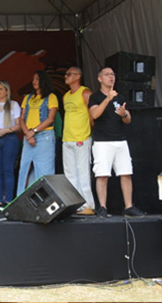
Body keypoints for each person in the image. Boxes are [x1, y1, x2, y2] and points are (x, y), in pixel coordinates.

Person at [89, 67, 145, 218]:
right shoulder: (95, 97)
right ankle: (102, 207)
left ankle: (129, 207)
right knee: (102, 175)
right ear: (100, 79)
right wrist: (107, 99)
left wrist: (124, 114)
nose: (111, 77)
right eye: (107, 74)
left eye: (113, 74)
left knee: (126, 173)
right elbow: (94, 114)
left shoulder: (120, 97)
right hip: (102, 141)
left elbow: (128, 119)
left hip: (120, 140)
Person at [62, 66, 96, 216]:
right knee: (70, 174)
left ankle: (88, 205)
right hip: (67, 138)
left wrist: (87, 132)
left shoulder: (85, 93)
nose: (65, 76)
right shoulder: (65, 96)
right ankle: (75, 204)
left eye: (69, 74)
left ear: (77, 76)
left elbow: (92, 116)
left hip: (81, 137)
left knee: (82, 172)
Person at [18, 70, 58, 195]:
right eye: (33, 79)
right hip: (29, 136)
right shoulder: (27, 98)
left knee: (44, 169)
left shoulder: (51, 97)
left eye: (37, 79)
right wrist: (27, 133)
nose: (34, 81)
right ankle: (21, 199)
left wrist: (33, 131)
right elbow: (21, 118)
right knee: (24, 168)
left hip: (44, 136)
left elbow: (50, 118)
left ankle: (44, 199)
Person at [0, 81, 22, 211]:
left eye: (1, 89)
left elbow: (18, 125)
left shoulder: (13, 105)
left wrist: (6, 130)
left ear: (7, 91)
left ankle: (9, 200)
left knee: (7, 169)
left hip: (9, 138)